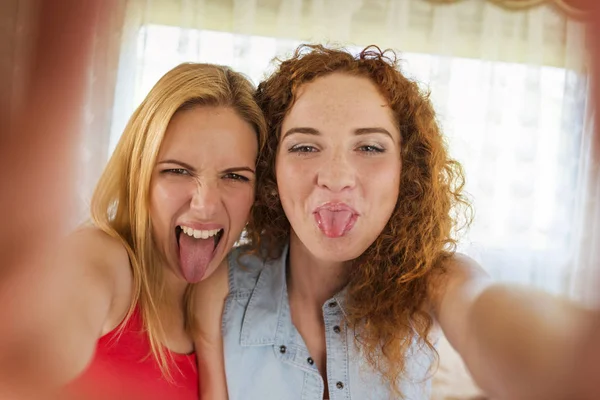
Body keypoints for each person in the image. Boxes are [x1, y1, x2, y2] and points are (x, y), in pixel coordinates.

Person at [195, 44, 593, 400]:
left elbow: (479, 313)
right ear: (270, 167)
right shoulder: (222, 286)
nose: (336, 177)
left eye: (369, 147)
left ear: (408, 170)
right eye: (304, 146)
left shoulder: (432, 281)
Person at [1, 61, 266, 400]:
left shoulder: (230, 305)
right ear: (137, 173)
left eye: (235, 176)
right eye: (178, 171)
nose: (205, 205)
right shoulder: (100, 259)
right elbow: (29, 353)